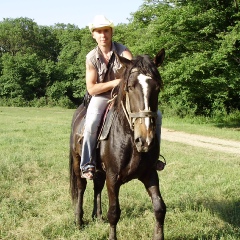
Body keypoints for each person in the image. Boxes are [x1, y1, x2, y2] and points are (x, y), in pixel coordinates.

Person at [80, 15, 165, 180]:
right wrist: (117, 82)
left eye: (106, 31)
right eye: (99, 31)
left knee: (158, 116)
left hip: (123, 96)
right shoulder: (91, 57)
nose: (103, 35)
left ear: (111, 32)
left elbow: (135, 74)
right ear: (93, 35)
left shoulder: (123, 51)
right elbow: (91, 88)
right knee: (91, 122)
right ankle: (87, 163)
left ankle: (154, 158)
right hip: (101, 96)